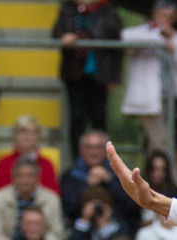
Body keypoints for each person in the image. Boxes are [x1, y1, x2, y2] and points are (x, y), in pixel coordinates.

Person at [120, 0, 177, 175]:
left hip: (169, 99)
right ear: (154, 13)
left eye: (170, 17)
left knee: (158, 144)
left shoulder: (175, 36)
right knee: (162, 143)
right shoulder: (141, 32)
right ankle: (172, 182)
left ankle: (152, 180)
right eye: (163, 15)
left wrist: (172, 40)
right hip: (147, 101)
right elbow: (126, 39)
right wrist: (158, 37)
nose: (166, 20)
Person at [52, 0, 123, 158]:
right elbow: (56, 32)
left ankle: (104, 161)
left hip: (100, 75)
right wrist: (65, 36)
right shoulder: (69, 9)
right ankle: (77, 161)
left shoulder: (108, 11)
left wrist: (113, 77)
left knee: (99, 119)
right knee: (77, 119)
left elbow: (116, 45)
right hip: (75, 74)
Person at [60, 128, 139, 227]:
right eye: (89, 147)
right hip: (81, 229)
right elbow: (68, 209)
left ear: (106, 150)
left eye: (98, 147)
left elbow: (133, 207)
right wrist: (87, 185)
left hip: (117, 229)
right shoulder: (70, 176)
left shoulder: (121, 173)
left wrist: (110, 181)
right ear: (81, 150)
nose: (94, 152)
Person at [0, 157, 65, 240]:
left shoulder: (52, 199)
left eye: (30, 176)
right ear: (13, 177)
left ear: (37, 177)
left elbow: (57, 234)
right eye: (20, 176)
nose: (25, 181)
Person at [0, 115, 60, 194]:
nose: (27, 136)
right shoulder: (3, 163)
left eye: (32, 132)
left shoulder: (47, 164)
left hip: (40, 205)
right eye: (23, 131)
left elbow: (53, 195)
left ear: (38, 135)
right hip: (10, 205)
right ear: (15, 135)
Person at [64, 184, 131, 240]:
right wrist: (85, 220)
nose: (97, 209)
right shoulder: (81, 228)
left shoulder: (121, 228)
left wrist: (104, 224)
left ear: (110, 208)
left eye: (102, 205)